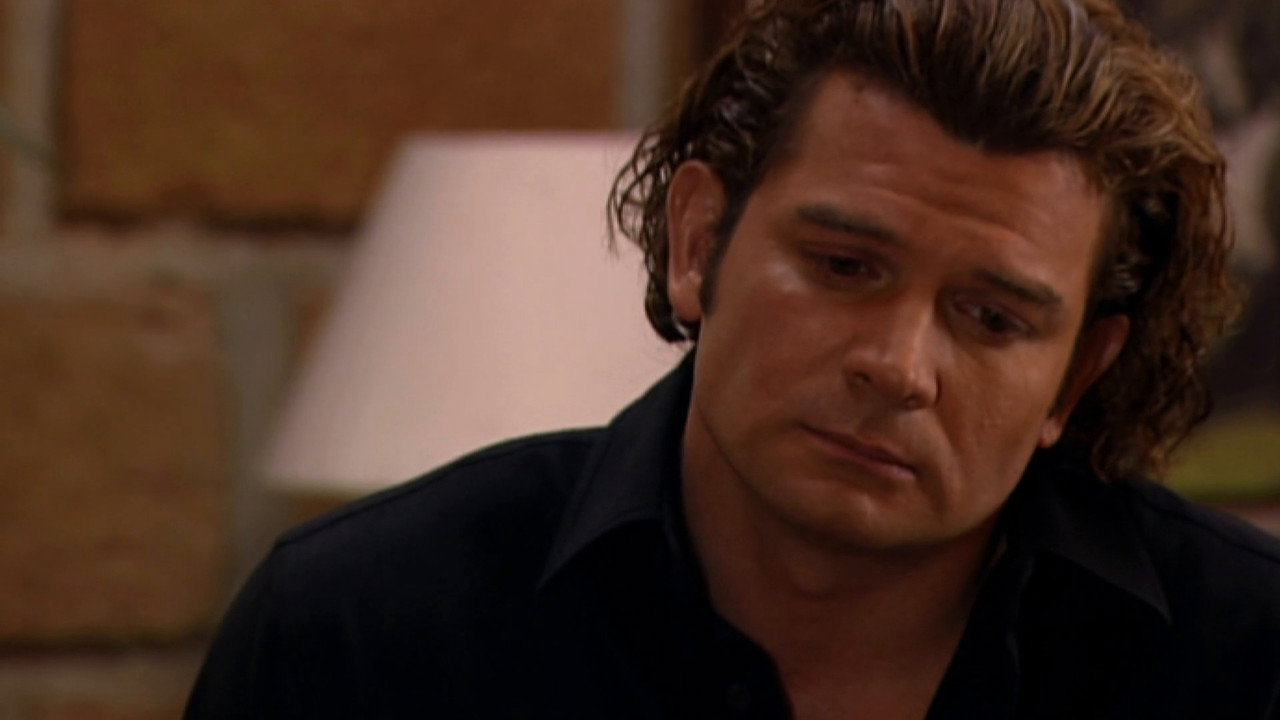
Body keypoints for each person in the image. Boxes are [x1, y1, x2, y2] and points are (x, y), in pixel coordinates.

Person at [185, 1, 1280, 718]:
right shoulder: (360, 627)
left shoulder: (1244, 657)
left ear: (1077, 374)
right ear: (699, 241)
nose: (898, 366)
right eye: (843, 267)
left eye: (991, 319)